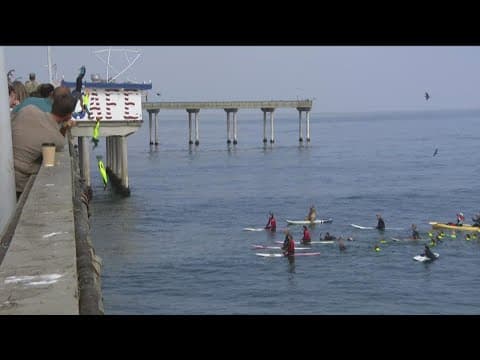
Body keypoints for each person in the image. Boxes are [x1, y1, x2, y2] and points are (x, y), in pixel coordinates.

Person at [11, 87, 77, 199]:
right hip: (17, 183)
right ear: (69, 115)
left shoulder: (29, 109)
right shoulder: (56, 139)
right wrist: (65, 127)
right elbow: (59, 138)